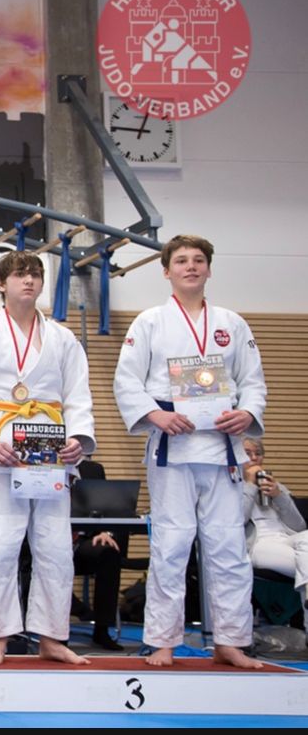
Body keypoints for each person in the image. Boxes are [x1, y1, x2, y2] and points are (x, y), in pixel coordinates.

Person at [113, 234, 266, 668]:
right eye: (181, 261)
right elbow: (127, 380)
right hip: (173, 447)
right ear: (167, 271)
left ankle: (231, 641)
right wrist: (154, 415)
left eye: (199, 260)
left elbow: (253, 381)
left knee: (229, 548)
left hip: (221, 448)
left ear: (209, 269)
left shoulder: (232, 323)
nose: (191, 266)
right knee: (171, 545)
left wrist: (247, 413)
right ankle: (162, 640)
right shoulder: (149, 322)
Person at [0, 250, 95, 665]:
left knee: (55, 546)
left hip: (51, 449)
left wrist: (78, 440)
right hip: (4, 449)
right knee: (0, 544)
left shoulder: (63, 338)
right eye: (19, 274)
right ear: (1, 284)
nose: (29, 281)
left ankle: (52, 636)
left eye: (35, 274)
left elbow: (78, 394)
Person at [242, 437, 307, 635]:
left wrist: (280, 496)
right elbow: (236, 522)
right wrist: (250, 486)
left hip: (287, 540)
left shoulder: (275, 486)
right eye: (248, 453)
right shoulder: (228, 487)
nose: (254, 458)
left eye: (258, 453)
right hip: (259, 546)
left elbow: (299, 526)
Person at [71, 460, 126, 650]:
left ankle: (102, 629)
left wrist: (104, 531)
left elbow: (104, 508)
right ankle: (79, 612)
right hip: (47, 537)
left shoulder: (93, 470)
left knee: (108, 554)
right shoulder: (43, 463)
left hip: (82, 541)